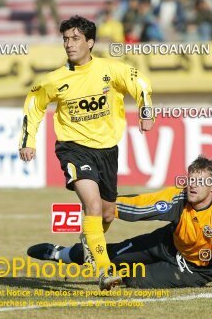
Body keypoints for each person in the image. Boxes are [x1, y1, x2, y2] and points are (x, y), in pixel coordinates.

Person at [18, 15, 154, 290]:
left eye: (75, 38)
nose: (69, 44)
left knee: (105, 214)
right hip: (74, 149)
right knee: (91, 205)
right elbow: (34, 103)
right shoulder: (55, 79)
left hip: (107, 150)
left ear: (90, 42)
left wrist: (146, 109)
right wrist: (28, 141)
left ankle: (88, 241)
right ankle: (104, 271)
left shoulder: (109, 70)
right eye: (66, 39)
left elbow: (139, 83)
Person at [27, 155, 212, 296]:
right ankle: (61, 253)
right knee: (111, 254)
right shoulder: (179, 197)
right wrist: (107, 207)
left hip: (196, 269)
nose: (193, 185)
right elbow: (143, 205)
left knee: (131, 279)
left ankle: (120, 276)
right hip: (167, 243)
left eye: (200, 182)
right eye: (191, 179)